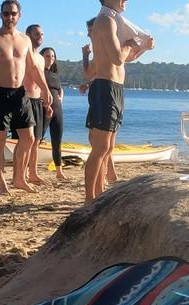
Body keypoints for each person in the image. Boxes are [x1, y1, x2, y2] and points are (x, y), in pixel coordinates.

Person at [0, 0, 53, 195]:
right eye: (6, 13)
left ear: (19, 15)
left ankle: (19, 178)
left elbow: (33, 68)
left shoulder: (25, 40)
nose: (10, 17)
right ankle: (1, 182)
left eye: (13, 13)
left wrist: (45, 90)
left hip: (20, 93)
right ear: (0, 15)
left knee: (29, 137)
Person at [84, 0, 154, 202]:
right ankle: (90, 199)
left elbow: (126, 57)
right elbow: (117, 57)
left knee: (108, 148)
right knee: (100, 148)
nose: (126, 1)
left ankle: (98, 195)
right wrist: (132, 44)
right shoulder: (106, 20)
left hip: (114, 88)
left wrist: (144, 48)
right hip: (105, 87)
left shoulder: (113, 20)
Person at [81, 18, 119, 185]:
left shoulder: (105, 46)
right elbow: (92, 73)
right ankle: (101, 182)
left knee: (106, 145)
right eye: (89, 30)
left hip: (107, 92)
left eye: (91, 30)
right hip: (101, 94)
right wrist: (85, 56)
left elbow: (102, 73)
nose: (89, 33)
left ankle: (107, 176)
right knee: (100, 145)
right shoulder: (99, 49)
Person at [14, 24, 51, 185]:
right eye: (37, 34)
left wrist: (46, 103)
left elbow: (41, 80)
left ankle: (33, 173)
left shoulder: (41, 59)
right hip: (24, 99)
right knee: (23, 140)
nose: (40, 37)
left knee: (36, 140)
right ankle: (18, 175)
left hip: (38, 100)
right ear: (28, 35)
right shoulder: (22, 54)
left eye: (42, 34)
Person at [41, 47, 67, 179]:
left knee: (57, 140)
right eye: (47, 56)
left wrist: (61, 96)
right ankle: (30, 170)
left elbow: (59, 88)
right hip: (43, 108)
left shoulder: (54, 73)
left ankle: (59, 171)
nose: (50, 59)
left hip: (57, 108)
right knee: (37, 139)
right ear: (41, 57)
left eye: (52, 56)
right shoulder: (39, 71)